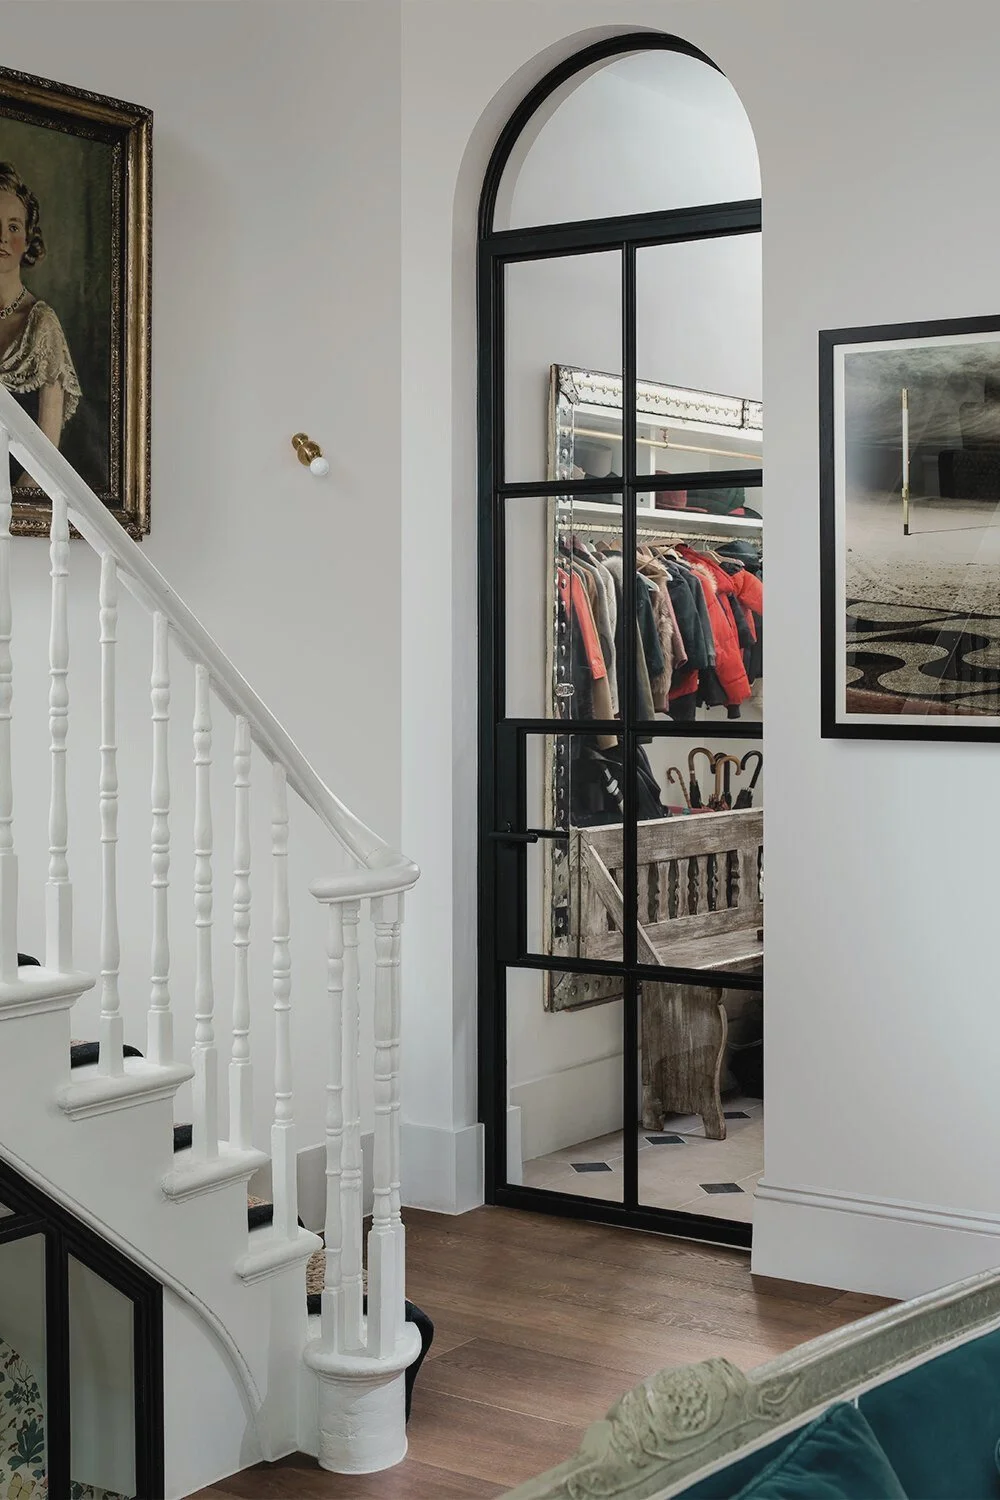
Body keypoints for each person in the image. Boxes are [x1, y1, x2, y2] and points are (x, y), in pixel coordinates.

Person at [0, 161, 81, 488]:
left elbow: (46, 454)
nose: (2, 237)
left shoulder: (41, 324)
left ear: (28, 237)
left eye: (14, 226)